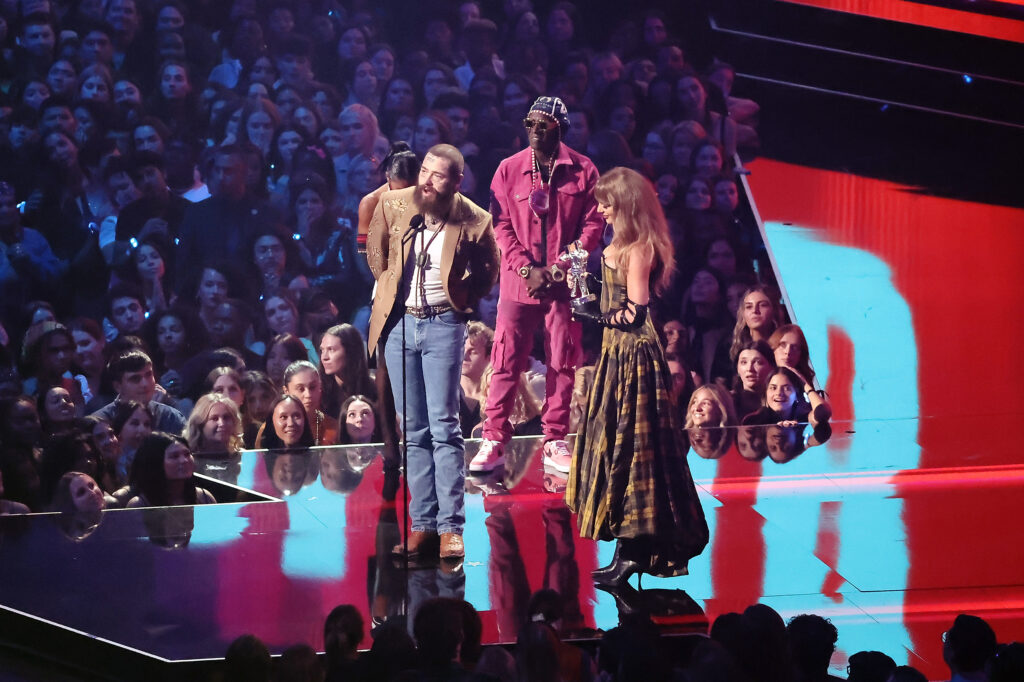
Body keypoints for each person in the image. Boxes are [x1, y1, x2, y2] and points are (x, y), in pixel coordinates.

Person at [567, 167, 708, 587]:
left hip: (635, 358)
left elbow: (634, 313)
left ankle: (632, 554)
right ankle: (624, 553)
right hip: (615, 354)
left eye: (607, 204)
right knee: (615, 449)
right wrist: (585, 291)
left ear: (626, 205)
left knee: (636, 454)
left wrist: (594, 314)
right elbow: (611, 300)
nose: (601, 211)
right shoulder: (616, 245)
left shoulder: (640, 249)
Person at [366, 143, 498, 561]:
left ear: (456, 181)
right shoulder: (394, 205)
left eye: (438, 175)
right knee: (413, 429)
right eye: (425, 170)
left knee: (444, 426)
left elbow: (489, 271)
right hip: (401, 324)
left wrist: (463, 297)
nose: (426, 180)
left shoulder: (475, 219)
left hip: (444, 324)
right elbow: (375, 251)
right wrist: (389, 286)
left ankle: (451, 528)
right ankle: (422, 524)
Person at [471, 95, 603, 475]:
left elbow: (593, 227)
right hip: (519, 283)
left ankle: (555, 439)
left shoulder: (583, 170)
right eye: (530, 123)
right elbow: (500, 226)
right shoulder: (508, 169)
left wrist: (559, 267)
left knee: (563, 359)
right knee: (505, 359)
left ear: (560, 128)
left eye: (543, 124)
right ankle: (494, 438)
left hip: (564, 283)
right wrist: (527, 269)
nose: (534, 130)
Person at [126, 432, 216, 507]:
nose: (184, 460)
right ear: (156, 463)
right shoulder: (140, 505)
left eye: (187, 454)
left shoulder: (205, 499)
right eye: (174, 456)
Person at [185, 392, 244, 457]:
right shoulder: (188, 459)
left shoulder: (245, 457)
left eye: (226, 417)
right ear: (200, 424)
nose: (222, 423)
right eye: (214, 418)